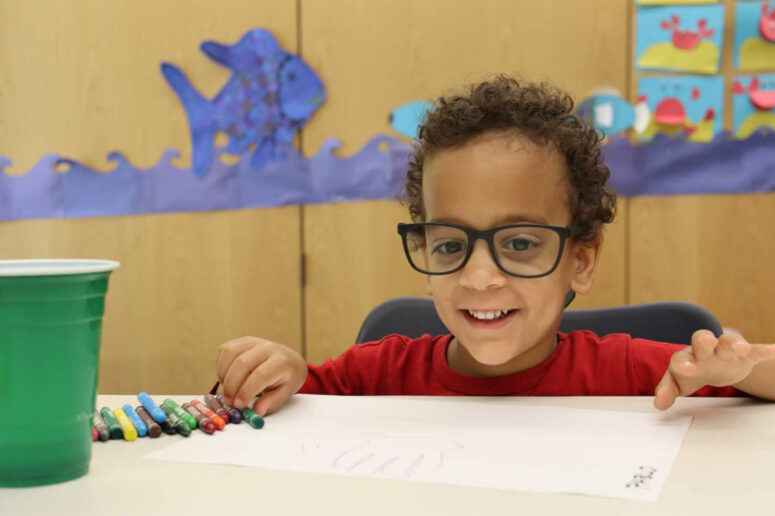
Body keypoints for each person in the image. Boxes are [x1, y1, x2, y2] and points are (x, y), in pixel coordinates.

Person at [215, 76, 775, 417]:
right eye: (450, 244)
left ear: (580, 260)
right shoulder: (377, 373)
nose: (479, 277)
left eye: (522, 242)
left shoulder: (633, 371)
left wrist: (742, 371)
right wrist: (276, 369)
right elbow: (289, 402)